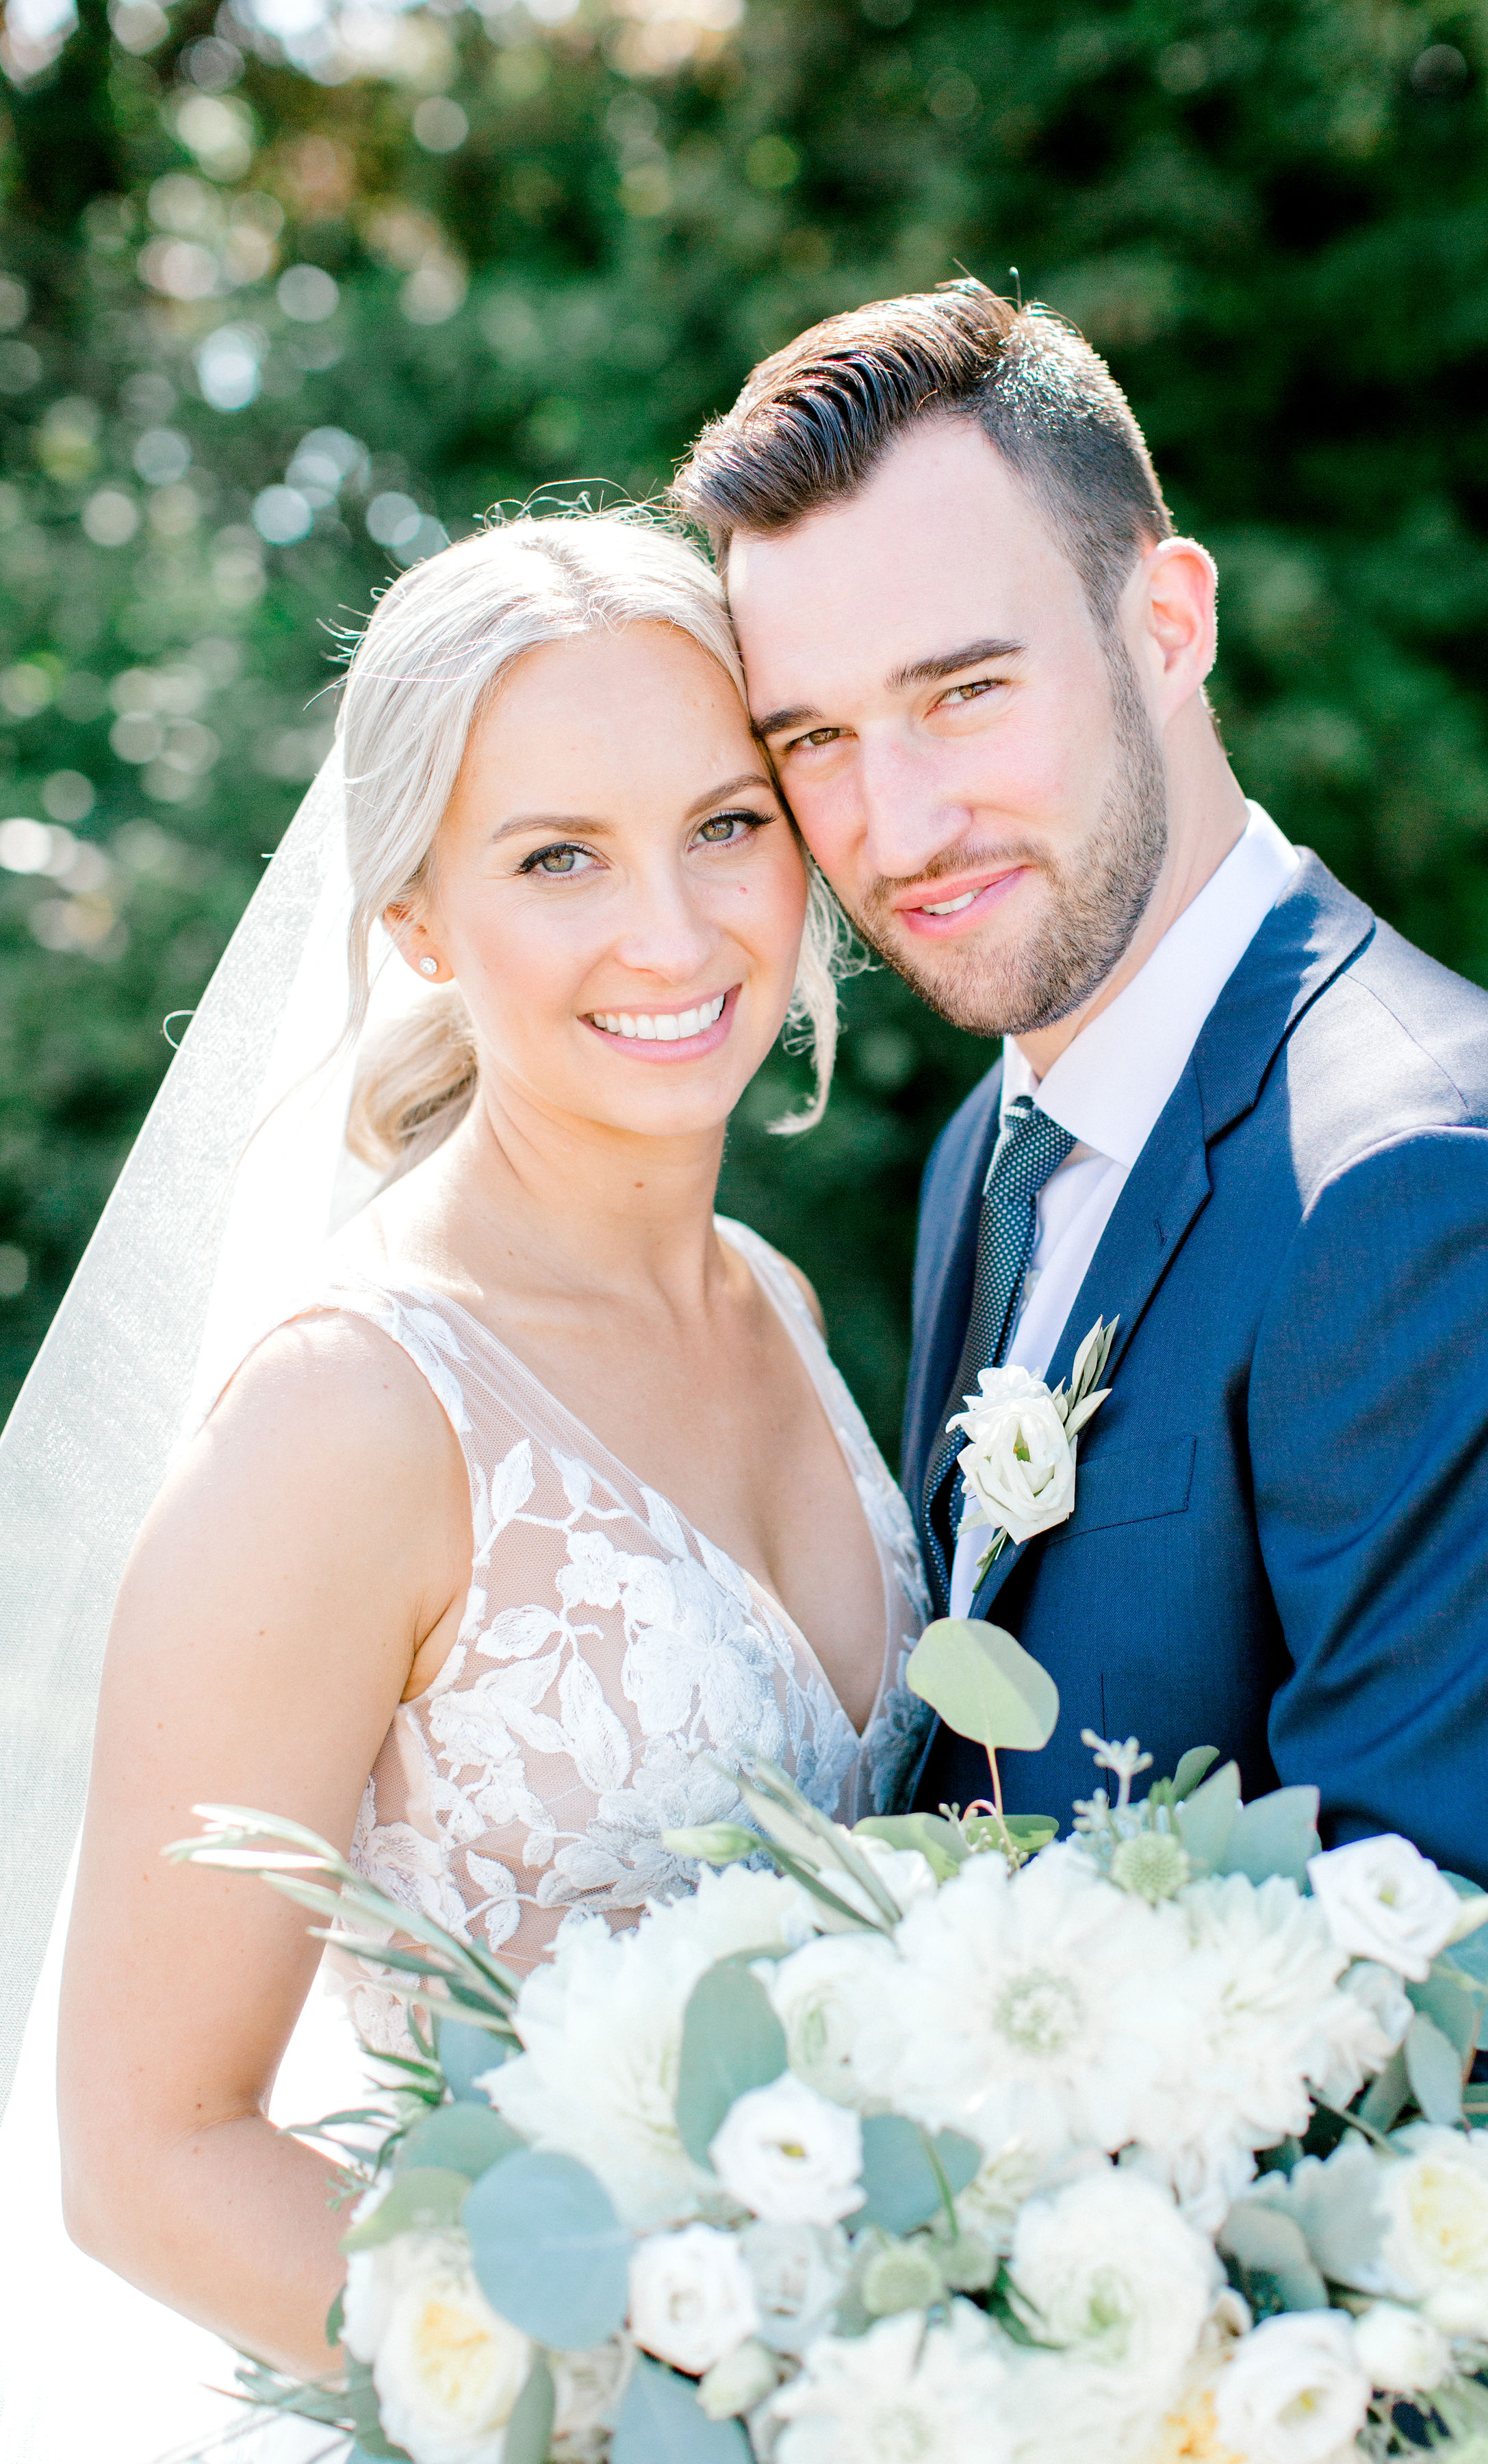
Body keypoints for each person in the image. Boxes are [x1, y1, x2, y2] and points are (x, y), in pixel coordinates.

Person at [670, 280, 1488, 2276]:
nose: (897, 824)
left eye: (965, 692)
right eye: (815, 740)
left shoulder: (1446, 1191)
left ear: (1168, 623)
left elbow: (1450, 2084)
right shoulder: (992, 1149)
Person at [47, 511, 932, 2398]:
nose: (672, 931)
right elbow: (148, 2161)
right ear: (418, 921)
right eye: (558, 857)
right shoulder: (349, 1418)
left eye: (726, 824)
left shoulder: (778, 1303)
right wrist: (650, 2410)